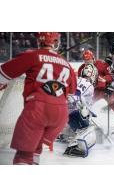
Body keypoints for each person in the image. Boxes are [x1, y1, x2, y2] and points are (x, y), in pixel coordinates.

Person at [0, 32, 77, 165]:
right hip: (60, 114)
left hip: (38, 109)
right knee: (36, 149)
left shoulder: (32, 55)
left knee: (24, 156)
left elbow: (3, 75)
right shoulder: (66, 63)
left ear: (38, 41)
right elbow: (71, 91)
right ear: (55, 42)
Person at [58, 63, 98, 157]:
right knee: (88, 127)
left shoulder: (76, 78)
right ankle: (76, 146)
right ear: (93, 75)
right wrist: (89, 114)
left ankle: (63, 134)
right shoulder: (90, 86)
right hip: (72, 107)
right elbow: (84, 103)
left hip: (59, 105)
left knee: (77, 120)